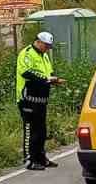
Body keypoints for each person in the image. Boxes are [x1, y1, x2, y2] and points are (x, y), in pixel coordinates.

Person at [16, 30, 64, 171]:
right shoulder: (27, 53)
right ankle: (29, 159)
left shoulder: (44, 56)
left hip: (41, 99)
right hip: (28, 99)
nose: (47, 49)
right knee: (30, 129)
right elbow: (26, 72)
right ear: (38, 42)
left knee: (41, 131)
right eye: (46, 46)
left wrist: (55, 80)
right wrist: (46, 79)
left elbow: (48, 73)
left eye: (49, 47)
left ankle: (41, 158)